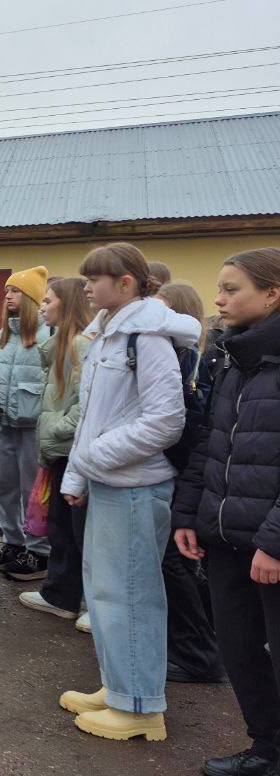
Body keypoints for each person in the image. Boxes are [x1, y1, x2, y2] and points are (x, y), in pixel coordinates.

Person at [58, 243, 200, 743]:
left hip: (138, 486)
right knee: (105, 591)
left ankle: (139, 707)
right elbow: (95, 416)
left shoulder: (149, 338)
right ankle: (119, 686)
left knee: (132, 594)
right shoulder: (109, 336)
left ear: (127, 283)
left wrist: (94, 459)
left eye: (98, 278)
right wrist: (78, 476)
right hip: (111, 482)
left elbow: (165, 420)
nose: (88, 286)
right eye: (87, 277)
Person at [173, 248, 280, 776]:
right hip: (225, 534)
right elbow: (211, 445)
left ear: (272, 295)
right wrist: (189, 515)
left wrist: (274, 540)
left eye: (231, 288)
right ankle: (266, 748)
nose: (217, 299)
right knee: (240, 649)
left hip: (269, 542)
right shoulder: (232, 358)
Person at [155, 281, 227, 685]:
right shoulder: (182, 356)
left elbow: (195, 425)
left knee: (178, 562)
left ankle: (198, 652)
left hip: (189, 473)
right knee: (178, 563)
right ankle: (195, 645)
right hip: (188, 472)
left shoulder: (192, 361)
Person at [17, 278, 93, 621]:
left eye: (49, 301)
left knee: (79, 532)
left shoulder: (79, 346)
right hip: (61, 449)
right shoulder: (60, 345)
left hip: (70, 449)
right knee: (62, 527)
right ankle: (61, 594)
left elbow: (85, 405)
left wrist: (53, 431)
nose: (43, 306)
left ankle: (84, 602)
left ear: (68, 304)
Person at [0, 267, 52, 581]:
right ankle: (13, 542)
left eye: (16, 292)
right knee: (6, 486)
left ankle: (39, 550)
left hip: (32, 426)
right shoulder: (3, 334)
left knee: (33, 489)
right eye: (8, 291)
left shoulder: (48, 333)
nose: (8, 296)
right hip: (6, 424)